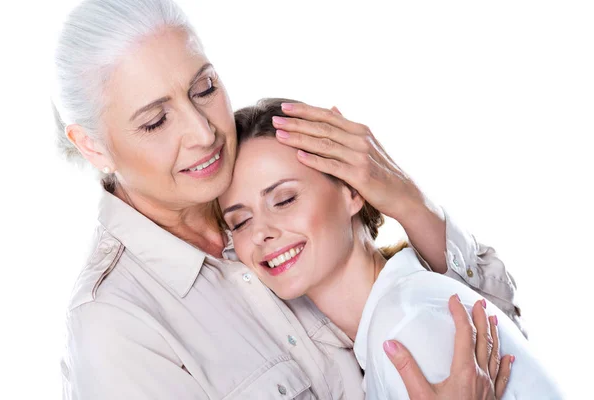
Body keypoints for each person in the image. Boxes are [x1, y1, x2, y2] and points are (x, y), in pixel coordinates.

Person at [55, 0, 521, 398]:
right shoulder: (115, 326)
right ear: (92, 145)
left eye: (205, 89)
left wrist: (408, 203)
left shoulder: (263, 175)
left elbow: (499, 331)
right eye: (156, 121)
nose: (203, 133)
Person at [218, 98, 563, 399]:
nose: (261, 231)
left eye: (285, 199)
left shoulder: (407, 325)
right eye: (240, 221)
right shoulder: (388, 321)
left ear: (352, 192)